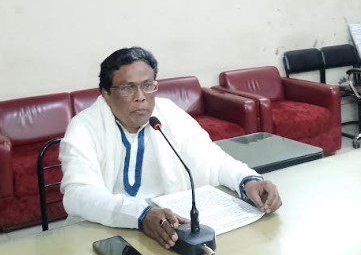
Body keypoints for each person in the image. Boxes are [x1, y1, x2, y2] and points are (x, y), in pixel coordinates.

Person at [60, 47, 282, 249]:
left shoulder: (168, 114)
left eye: (148, 86)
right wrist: (140, 215)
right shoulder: (84, 127)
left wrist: (248, 180)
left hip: (172, 231)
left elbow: (213, 160)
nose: (141, 97)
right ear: (106, 93)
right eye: (128, 88)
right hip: (106, 235)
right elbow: (78, 194)